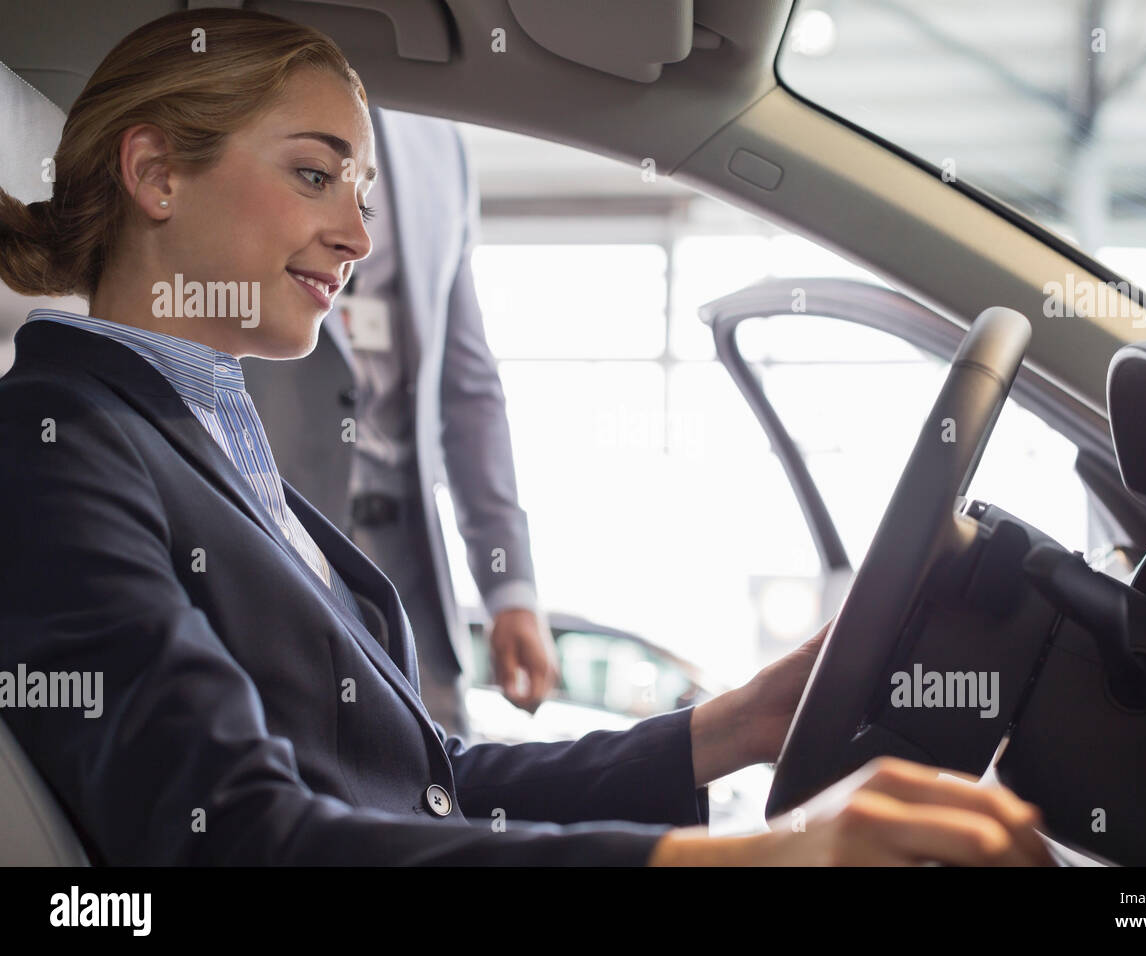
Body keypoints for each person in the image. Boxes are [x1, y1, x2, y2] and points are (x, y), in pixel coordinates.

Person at [0, 8, 1053, 866]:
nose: (359, 237)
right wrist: (757, 861)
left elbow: (431, 784)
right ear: (156, 174)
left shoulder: (199, 437)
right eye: (316, 175)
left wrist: (732, 724)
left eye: (363, 193)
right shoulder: (56, 449)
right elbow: (236, 838)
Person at [240, 105, 552, 738]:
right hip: (270, 549)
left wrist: (508, 581)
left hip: (407, 572)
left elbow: (466, 384)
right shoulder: (248, 88)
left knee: (444, 792)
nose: (356, 238)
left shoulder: (442, 139)